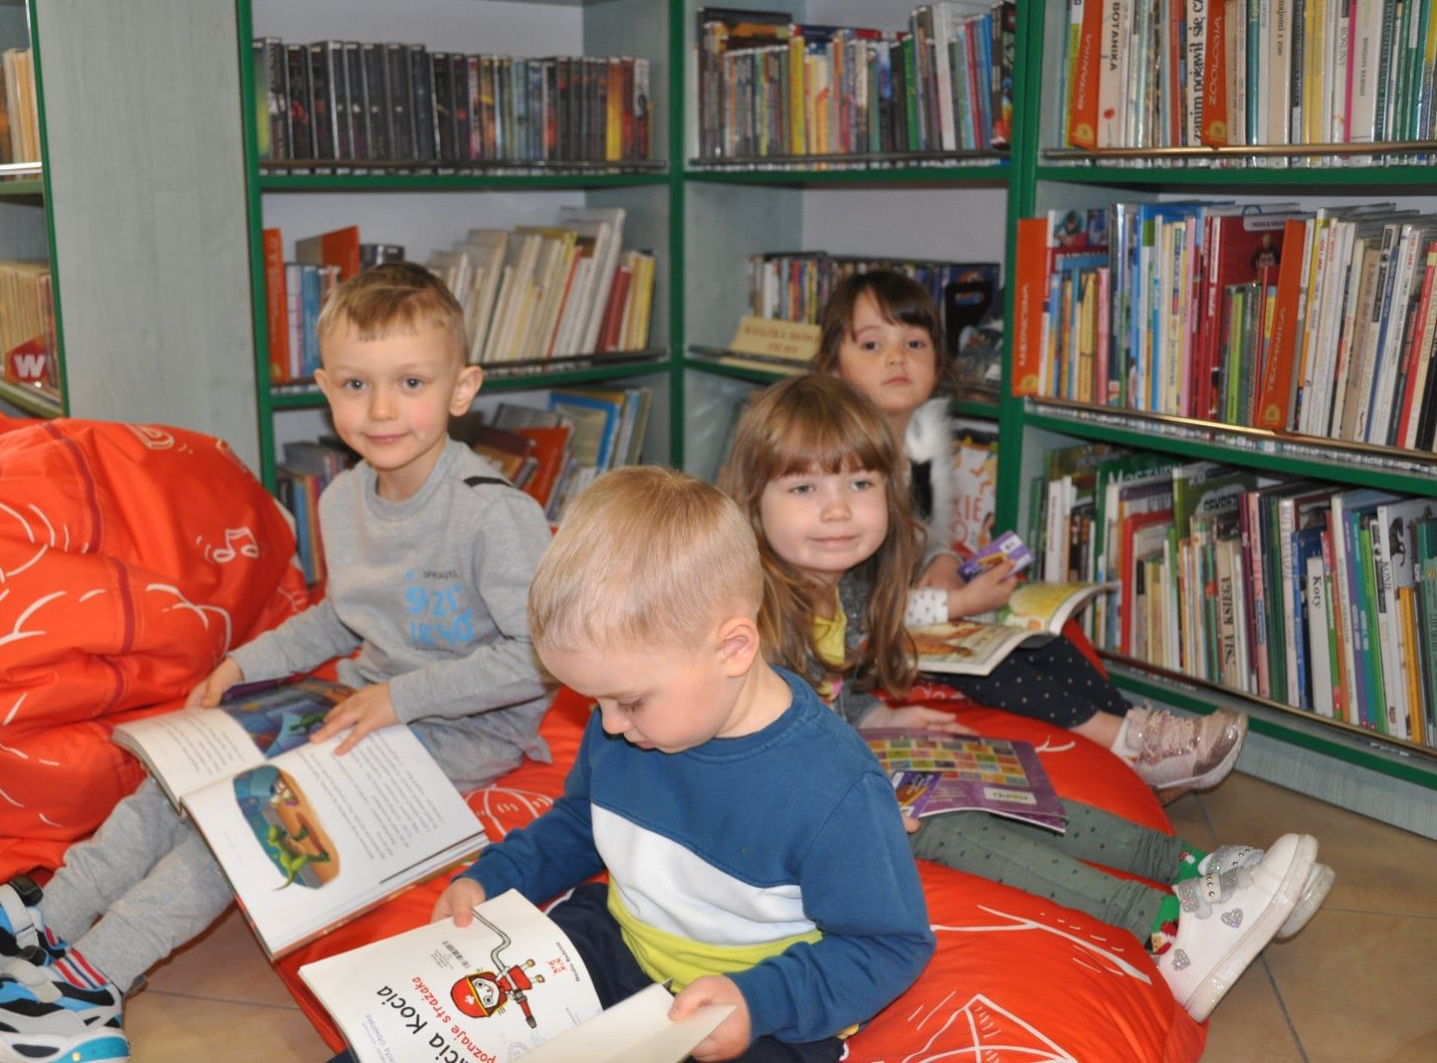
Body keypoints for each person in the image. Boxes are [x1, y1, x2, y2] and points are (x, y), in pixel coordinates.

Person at [0, 263, 557, 1063]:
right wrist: (244, 665)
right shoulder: (344, 498)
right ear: (325, 388)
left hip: (466, 728)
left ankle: (89, 988)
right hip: (360, 698)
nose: (381, 409)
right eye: (356, 384)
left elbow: (539, 658)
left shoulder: (493, 513)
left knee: (247, 816)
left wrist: (401, 698)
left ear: (461, 388)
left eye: (410, 382)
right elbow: (340, 614)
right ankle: (44, 920)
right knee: (177, 775)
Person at [717, 374, 1334, 1022]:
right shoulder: (749, 616)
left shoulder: (841, 583)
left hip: (835, 770)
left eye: (860, 484)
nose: (838, 510)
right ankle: (1168, 932)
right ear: (753, 501)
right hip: (780, 818)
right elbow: (753, 758)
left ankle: (1190, 867)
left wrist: (877, 715)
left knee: (990, 776)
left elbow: (826, 692)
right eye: (805, 488)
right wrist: (858, 789)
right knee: (944, 821)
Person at [431, 465, 936, 1062]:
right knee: (448, 1025)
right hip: (620, 943)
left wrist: (756, 1001)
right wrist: (494, 878)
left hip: (757, 1002)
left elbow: (888, 944)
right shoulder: (627, 725)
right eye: (594, 701)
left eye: (628, 701)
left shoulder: (834, 790)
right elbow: (579, 823)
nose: (608, 725)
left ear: (733, 649)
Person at [812, 270, 1246, 795]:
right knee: (991, 661)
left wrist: (942, 560)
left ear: (939, 361)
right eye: (872, 344)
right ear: (831, 366)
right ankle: (1128, 743)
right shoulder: (846, 473)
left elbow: (921, 531)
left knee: (1040, 639)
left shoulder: (917, 448)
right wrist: (956, 604)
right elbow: (853, 611)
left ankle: (1141, 734)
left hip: (905, 612)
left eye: (915, 343)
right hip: (852, 647)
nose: (897, 358)